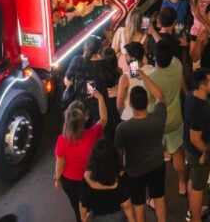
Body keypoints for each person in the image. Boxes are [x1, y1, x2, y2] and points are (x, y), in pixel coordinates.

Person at [114, 72, 167, 222]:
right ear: (147, 102)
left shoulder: (123, 128)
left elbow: (118, 152)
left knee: (138, 204)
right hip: (157, 164)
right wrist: (142, 76)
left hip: (135, 170)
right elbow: (160, 97)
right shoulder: (158, 117)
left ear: (130, 104)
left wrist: (120, 170)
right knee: (159, 197)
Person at [55, 89, 108, 222]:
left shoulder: (62, 140)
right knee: (92, 205)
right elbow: (104, 119)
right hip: (90, 178)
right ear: (85, 117)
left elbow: (60, 164)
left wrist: (57, 179)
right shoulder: (93, 134)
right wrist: (100, 98)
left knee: (77, 207)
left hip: (70, 182)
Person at [143, 38, 187, 197]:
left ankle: (157, 190)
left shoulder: (150, 78)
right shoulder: (177, 64)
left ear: (154, 57)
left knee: (155, 157)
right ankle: (182, 184)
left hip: (157, 122)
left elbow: (147, 101)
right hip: (175, 118)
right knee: (177, 153)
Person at [185, 67, 210, 222]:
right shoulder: (199, 108)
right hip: (197, 153)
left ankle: (192, 210)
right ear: (202, 86)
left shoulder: (192, 96)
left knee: (193, 180)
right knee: (198, 188)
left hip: (191, 151)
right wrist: (208, 154)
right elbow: (195, 139)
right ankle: (196, 218)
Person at [78, 138, 134, 222]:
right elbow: (127, 206)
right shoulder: (120, 176)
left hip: (97, 218)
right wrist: (132, 220)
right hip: (117, 217)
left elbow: (83, 204)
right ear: (114, 158)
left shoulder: (87, 177)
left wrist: (83, 218)